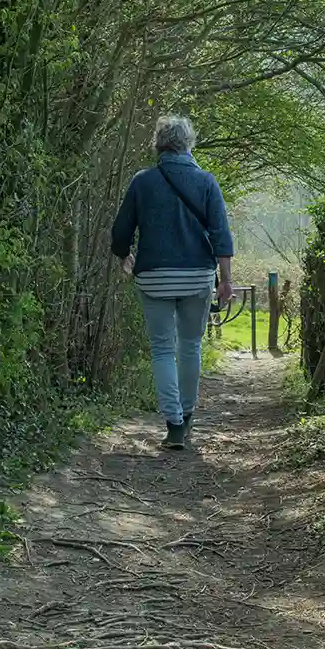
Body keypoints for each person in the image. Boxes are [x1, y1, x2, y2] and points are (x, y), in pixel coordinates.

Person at [109, 115, 234, 450]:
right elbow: (221, 235)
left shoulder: (142, 182)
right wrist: (226, 280)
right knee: (190, 345)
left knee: (162, 349)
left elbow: (121, 230)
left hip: (153, 276)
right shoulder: (206, 182)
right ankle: (188, 415)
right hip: (197, 275)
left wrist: (124, 256)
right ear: (188, 143)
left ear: (159, 144)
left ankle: (174, 425)